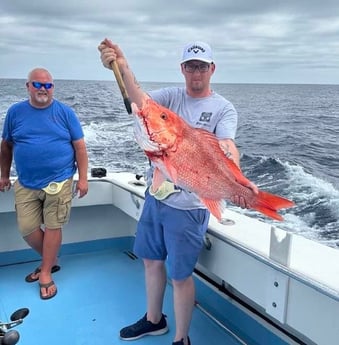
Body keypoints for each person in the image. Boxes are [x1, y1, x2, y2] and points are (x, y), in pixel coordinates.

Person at [98, 39, 255, 345]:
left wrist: (238, 180)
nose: (196, 72)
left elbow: (226, 146)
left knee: (181, 276)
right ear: (183, 69)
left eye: (202, 66)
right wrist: (121, 63)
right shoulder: (170, 97)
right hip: (156, 198)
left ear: (212, 69)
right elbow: (139, 100)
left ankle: (181, 339)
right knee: (151, 260)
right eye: (190, 66)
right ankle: (153, 320)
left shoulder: (223, 108)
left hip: (190, 206)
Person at [0, 67, 88, 300]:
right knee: (26, 228)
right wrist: (3, 175)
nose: (43, 89)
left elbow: (80, 147)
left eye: (47, 85)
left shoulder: (65, 113)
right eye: (37, 84)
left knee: (53, 226)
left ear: (53, 88)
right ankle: (52, 259)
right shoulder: (15, 112)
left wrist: (83, 179)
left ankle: (46, 271)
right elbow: (6, 146)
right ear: (27, 86)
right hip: (26, 182)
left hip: (59, 181)